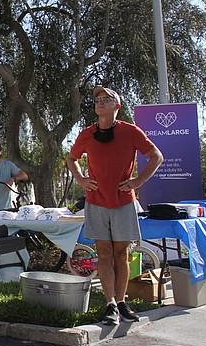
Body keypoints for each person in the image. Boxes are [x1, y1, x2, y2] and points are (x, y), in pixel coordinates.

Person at [66, 86, 163, 325]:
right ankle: (109, 304)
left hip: (123, 203)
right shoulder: (87, 134)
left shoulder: (131, 132)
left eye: (106, 99)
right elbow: (72, 159)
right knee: (104, 253)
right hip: (96, 202)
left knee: (121, 254)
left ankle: (121, 302)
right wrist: (81, 179)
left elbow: (156, 156)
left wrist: (138, 181)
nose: (100, 102)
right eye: (98, 99)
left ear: (116, 106)